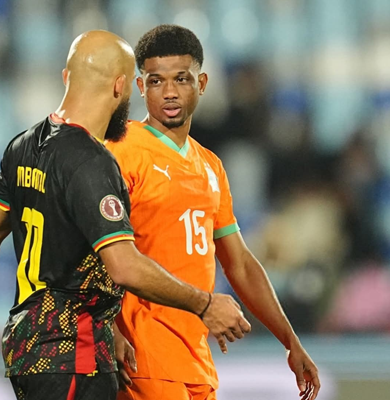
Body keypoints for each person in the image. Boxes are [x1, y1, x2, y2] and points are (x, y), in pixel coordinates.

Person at [0, 30, 250, 400]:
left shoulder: (23, 146)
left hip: (27, 350)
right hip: (73, 353)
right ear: (121, 87)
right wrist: (204, 303)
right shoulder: (92, 163)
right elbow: (123, 266)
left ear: (67, 77)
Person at [106, 25, 321, 400]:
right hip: (143, 356)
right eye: (156, 81)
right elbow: (88, 247)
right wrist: (109, 327)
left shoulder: (210, 166)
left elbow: (240, 264)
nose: (169, 92)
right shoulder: (120, 151)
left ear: (201, 83)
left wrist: (290, 340)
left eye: (181, 79)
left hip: (197, 360)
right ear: (140, 86)